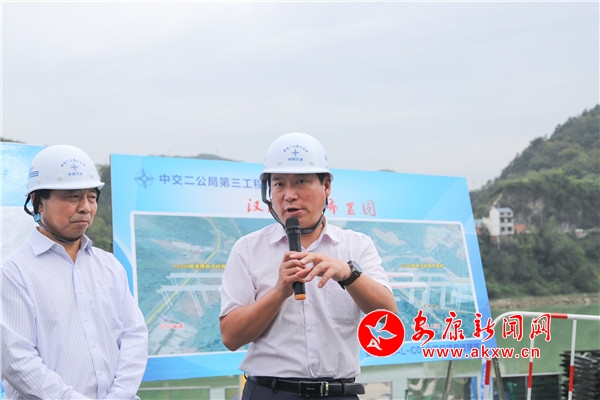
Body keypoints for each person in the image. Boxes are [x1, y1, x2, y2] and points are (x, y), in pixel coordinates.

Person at [220, 133, 398, 399]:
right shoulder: (247, 249)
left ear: (326, 186)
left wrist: (348, 274)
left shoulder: (356, 245)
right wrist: (279, 291)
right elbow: (231, 337)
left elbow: (387, 316)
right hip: (271, 392)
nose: (289, 195)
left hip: (339, 393)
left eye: (301, 182)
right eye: (279, 184)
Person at [1, 145, 148, 400]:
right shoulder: (13, 272)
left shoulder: (109, 265)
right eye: (72, 197)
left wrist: (120, 394)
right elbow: (17, 360)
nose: (85, 207)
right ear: (37, 202)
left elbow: (134, 335)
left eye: (91, 197)